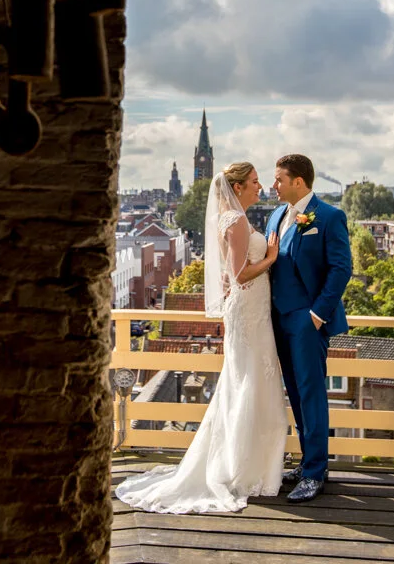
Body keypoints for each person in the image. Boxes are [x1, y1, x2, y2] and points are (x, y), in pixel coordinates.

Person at [115, 162, 286, 514]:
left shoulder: (235, 218)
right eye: (254, 182)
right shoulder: (235, 220)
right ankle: (243, 468)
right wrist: (271, 256)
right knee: (249, 381)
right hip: (248, 313)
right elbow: (240, 275)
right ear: (238, 187)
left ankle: (249, 465)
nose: (260, 187)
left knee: (248, 380)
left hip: (251, 311)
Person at [266, 153, 353, 503]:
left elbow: (341, 268)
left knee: (312, 393)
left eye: (279, 179)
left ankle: (316, 472)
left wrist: (317, 315)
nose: (274, 185)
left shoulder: (329, 216)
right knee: (295, 393)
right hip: (278, 319)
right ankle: (307, 462)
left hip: (307, 321)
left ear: (298, 181)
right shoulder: (275, 215)